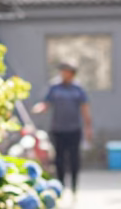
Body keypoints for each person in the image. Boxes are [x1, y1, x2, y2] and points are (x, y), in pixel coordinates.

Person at [33, 63, 92, 193]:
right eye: (62, 71)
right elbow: (46, 103)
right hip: (58, 129)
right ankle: (60, 187)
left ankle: (74, 187)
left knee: (74, 159)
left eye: (66, 72)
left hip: (74, 129)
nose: (63, 74)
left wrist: (88, 127)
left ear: (72, 74)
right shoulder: (54, 87)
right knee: (59, 159)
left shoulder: (78, 89)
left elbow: (85, 108)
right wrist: (39, 108)